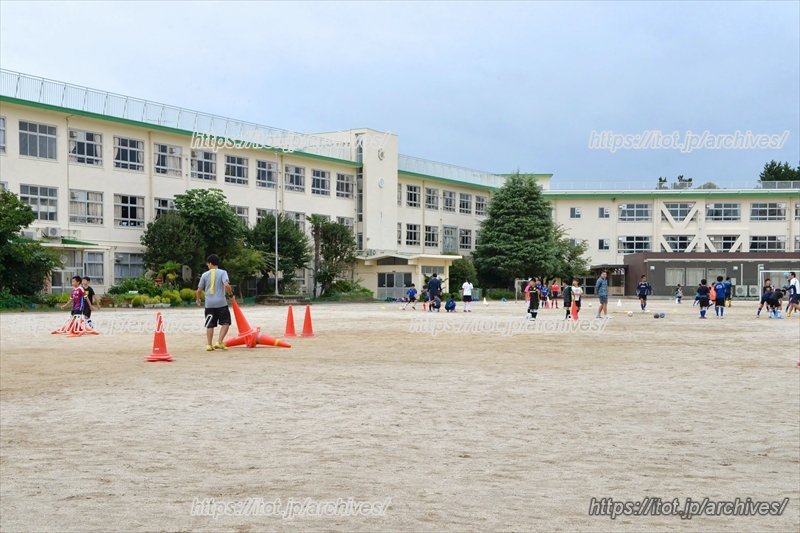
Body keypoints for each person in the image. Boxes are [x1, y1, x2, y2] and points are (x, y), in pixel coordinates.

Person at [196, 254, 234, 352]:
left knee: (210, 324)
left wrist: (198, 299)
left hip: (209, 304)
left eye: (207, 264)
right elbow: (226, 285)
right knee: (226, 322)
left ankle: (209, 345)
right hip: (221, 303)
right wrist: (231, 295)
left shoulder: (204, 275)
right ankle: (219, 341)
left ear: (210, 263)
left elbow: (199, 290)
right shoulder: (223, 273)